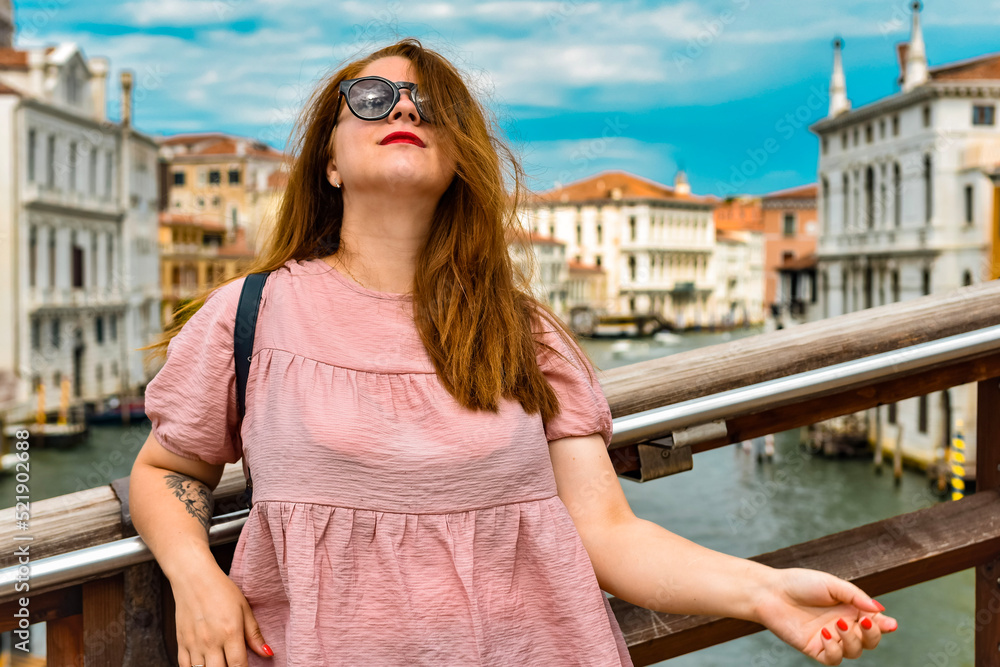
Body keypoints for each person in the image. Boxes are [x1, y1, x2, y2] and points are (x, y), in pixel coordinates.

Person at [129, 38, 897, 667]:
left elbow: (608, 531)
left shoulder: (523, 334)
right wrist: (196, 577)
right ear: (329, 162)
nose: (402, 107)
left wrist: (762, 591)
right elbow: (167, 469)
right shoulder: (252, 313)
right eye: (370, 99)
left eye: (431, 106)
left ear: (459, 157)